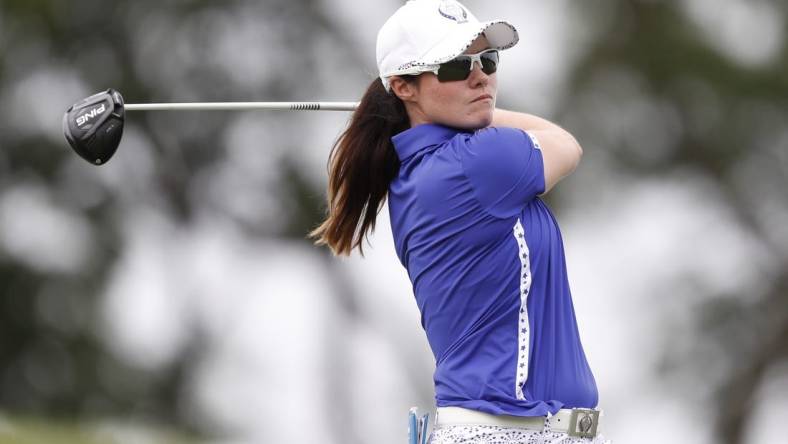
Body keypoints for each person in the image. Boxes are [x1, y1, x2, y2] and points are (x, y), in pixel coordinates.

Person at [311, 0, 610, 442]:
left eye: (487, 60)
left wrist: (455, 108)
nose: (480, 76)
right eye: (454, 67)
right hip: (509, 432)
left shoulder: (422, 170)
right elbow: (565, 144)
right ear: (403, 86)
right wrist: (487, 111)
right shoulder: (477, 163)